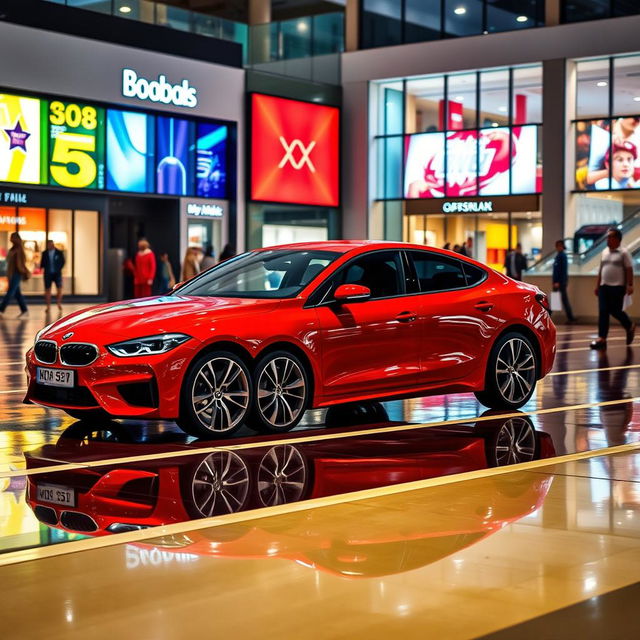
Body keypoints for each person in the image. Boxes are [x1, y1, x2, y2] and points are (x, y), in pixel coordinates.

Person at [591, 227, 635, 350]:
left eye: (611, 237)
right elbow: (601, 269)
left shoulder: (624, 253)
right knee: (603, 311)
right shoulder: (605, 252)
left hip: (618, 287)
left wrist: (630, 285)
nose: (608, 239)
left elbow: (629, 269)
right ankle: (602, 338)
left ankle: (629, 325)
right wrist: (597, 285)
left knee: (615, 310)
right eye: (608, 237)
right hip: (604, 287)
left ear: (618, 239)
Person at [0, 232, 29, 317]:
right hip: (11, 273)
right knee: (17, 293)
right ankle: (24, 310)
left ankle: (1, 309)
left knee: (10, 292)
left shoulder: (18, 249)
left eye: (12, 237)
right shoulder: (13, 249)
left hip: (16, 273)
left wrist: (22, 271)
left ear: (16, 239)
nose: (10, 239)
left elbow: (21, 262)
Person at [552, 239, 577, 323]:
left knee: (562, 299)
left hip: (560, 282)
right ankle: (569, 317)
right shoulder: (559, 256)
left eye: (559, 246)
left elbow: (562, 270)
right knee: (557, 299)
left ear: (562, 246)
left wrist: (558, 282)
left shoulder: (562, 256)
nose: (557, 248)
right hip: (558, 281)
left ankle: (570, 317)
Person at [40, 239, 65, 311]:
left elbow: (62, 262)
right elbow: (42, 263)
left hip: (57, 274)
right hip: (48, 274)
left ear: (53, 244)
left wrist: (58, 268)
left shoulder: (59, 252)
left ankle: (59, 303)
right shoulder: (44, 253)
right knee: (47, 290)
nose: (49, 246)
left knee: (59, 289)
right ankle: (48, 306)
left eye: (51, 244)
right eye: (48, 245)